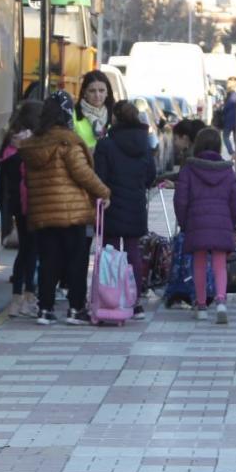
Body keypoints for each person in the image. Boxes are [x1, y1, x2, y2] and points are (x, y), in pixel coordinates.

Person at [17, 90, 112, 325]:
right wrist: (104, 192)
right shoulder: (67, 141)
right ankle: (75, 309)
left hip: (43, 212)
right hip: (71, 212)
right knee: (76, 260)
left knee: (49, 260)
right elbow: (83, 174)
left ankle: (45, 309)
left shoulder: (32, 144)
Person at [93, 101, 158, 320]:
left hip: (111, 205)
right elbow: (151, 174)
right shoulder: (144, 143)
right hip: (135, 204)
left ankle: (111, 299)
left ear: (115, 119)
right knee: (133, 253)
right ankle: (135, 301)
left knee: (110, 253)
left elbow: (99, 177)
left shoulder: (106, 144)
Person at [174, 126, 236, 323]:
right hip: (221, 222)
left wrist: (183, 222)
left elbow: (181, 199)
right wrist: (230, 221)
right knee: (220, 264)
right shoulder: (227, 170)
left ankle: (201, 305)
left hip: (196, 221)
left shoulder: (189, 168)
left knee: (200, 263)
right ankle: (221, 302)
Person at [0, 100, 43, 317]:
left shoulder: (10, 141)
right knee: (32, 251)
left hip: (17, 205)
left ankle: (17, 299)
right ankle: (28, 297)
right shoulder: (28, 143)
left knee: (24, 251)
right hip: (32, 203)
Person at [74, 70, 113, 150]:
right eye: (92, 91)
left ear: (107, 92)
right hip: (83, 161)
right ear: (84, 92)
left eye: (101, 90)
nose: (97, 95)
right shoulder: (73, 115)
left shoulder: (115, 115)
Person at [219, 78, 236, 158]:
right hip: (235, 120)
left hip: (229, 120)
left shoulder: (232, 95)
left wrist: (222, 110)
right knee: (235, 137)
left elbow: (227, 107)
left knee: (225, 136)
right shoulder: (235, 95)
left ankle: (232, 152)